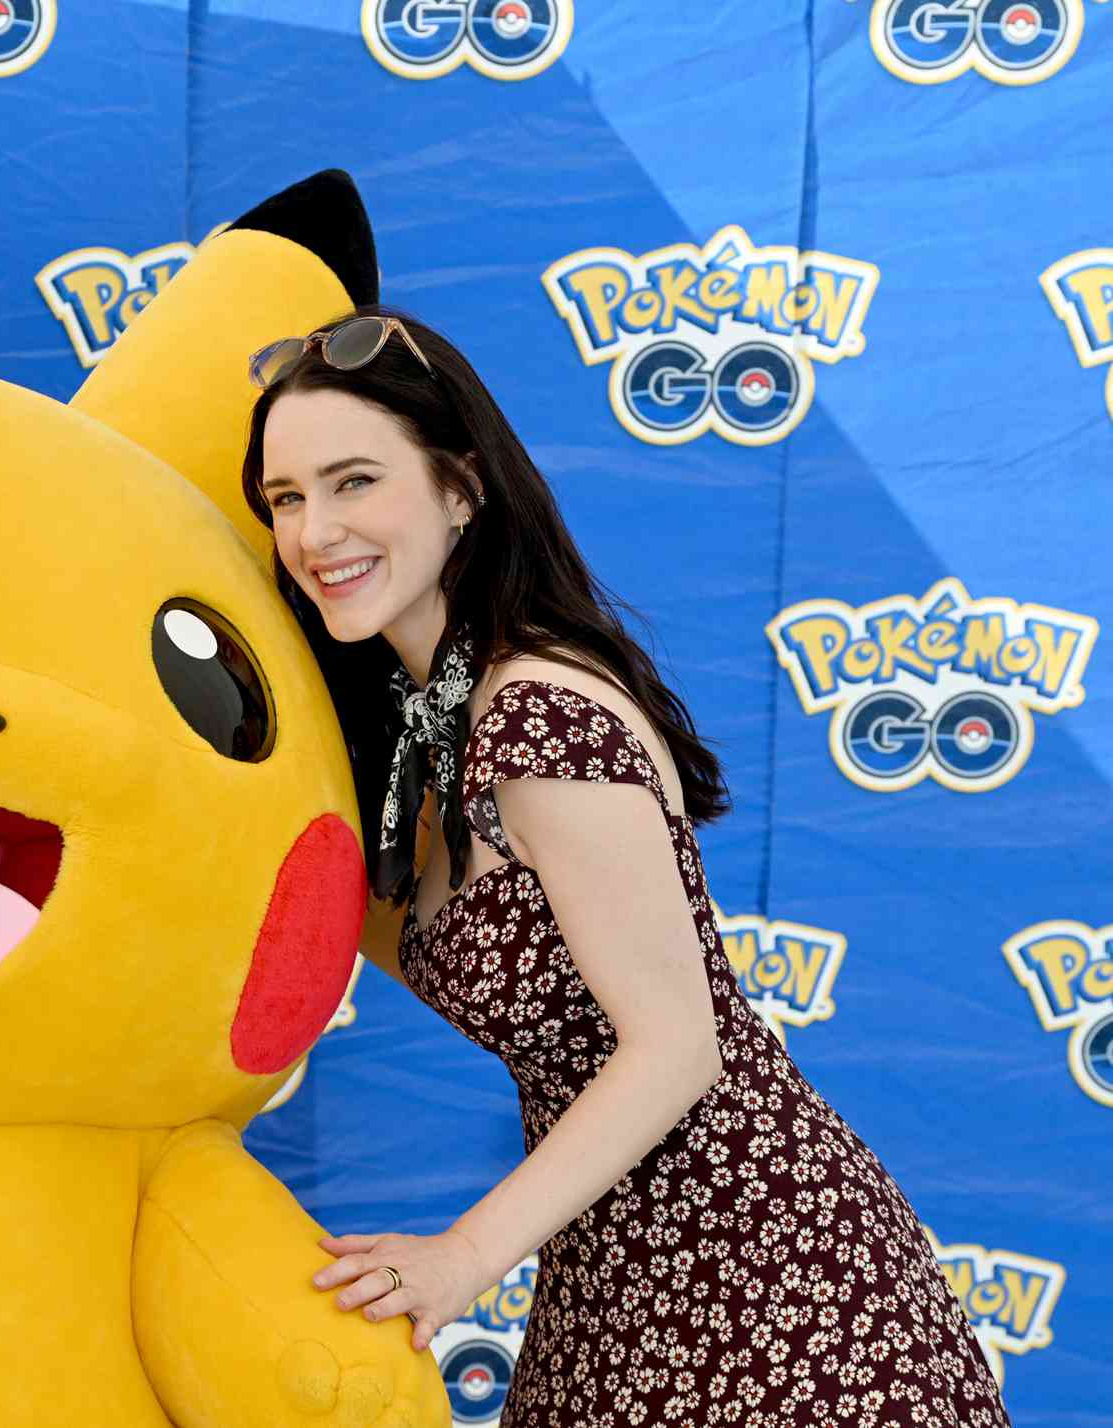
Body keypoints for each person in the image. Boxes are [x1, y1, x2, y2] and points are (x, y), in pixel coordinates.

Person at [239, 306, 1012, 1426]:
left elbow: (674, 1045)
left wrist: (461, 1259)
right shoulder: (426, 743)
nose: (314, 532)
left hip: (766, 1284)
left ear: (460, 490)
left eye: (354, 481)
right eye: (285, 499)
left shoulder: (533, 709)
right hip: (614, 1274)